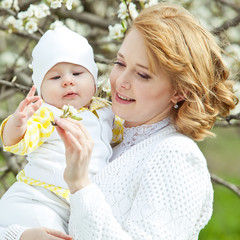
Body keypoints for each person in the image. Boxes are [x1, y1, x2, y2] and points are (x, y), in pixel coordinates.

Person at [0, 2, 239, 240]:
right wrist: (20, 235)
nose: (120, 81)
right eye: (120, 63)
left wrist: (80, 185)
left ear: (180, 91)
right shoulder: (111, 135)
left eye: (142, 74)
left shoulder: (175, 157)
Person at [0, 27, 122, 234]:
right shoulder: (48, 113)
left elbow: (123, 136)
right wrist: (18, 124)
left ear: (93, 80)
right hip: (38, 200)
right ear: (41, 89)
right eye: (55, 78)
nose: (68, 81)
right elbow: (17, 143)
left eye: (77, 73)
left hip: (72, 203)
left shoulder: (106, 111)